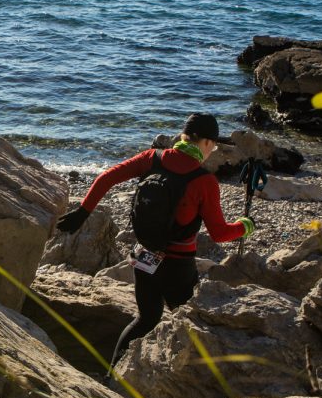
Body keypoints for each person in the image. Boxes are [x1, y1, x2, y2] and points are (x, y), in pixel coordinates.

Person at [55, 113, 254, 367]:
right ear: (204, 143)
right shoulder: (204, 181)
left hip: (144, 257)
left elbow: (106, 178)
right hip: (178, 268)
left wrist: (83, 212)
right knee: (189, 322)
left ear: (183, 137)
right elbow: (220, 233)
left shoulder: (153, 158)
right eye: (213, 145)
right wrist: (245, 226)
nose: (213, 150)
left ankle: (112, 374)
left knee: (145, 319)